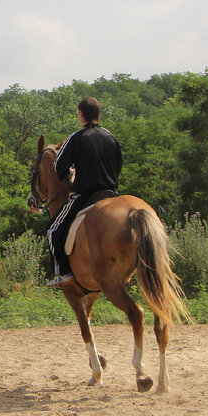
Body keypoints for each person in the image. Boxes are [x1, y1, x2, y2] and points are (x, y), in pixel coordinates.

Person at [46, 97, 122, 287]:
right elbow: (118, 164)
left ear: (81, 114)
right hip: (111, 193)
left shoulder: (77, 137)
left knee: (53, 229)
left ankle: (63, 274)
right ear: (98, 114)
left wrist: (70, 177)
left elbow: (59, 166)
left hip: (86, 195)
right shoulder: (111, 137)